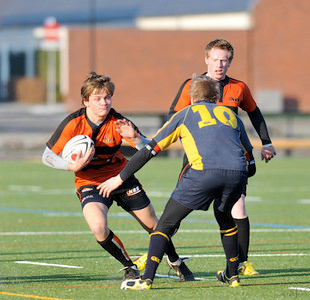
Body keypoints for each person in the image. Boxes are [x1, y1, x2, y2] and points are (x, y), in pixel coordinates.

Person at [98, 76, 256, 290]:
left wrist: (119, 178)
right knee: (225, 218)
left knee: (164, 225)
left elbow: (150, 150)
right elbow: (250, 157)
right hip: (238, 173)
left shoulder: (186, 114)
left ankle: (146, 280)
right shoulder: (230, 114)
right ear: (216, 97)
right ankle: (232, 275)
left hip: (204, 173)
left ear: (192, 98)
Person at [42, 71, 193, 281]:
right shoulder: (73, 123)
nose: (104, 103)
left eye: (107, 97)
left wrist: (136, 137)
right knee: (98, 227)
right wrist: (71, 165)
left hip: (122, 178)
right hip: (90, 182)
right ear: (85, 101)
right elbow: (47, 155)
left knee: (154, 226)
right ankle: (129, 266)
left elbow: (151, 149)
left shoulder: (120, 122)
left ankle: (174, 260)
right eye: (97, 99)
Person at [168, 39, 276, 276]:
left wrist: (266, 142)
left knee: (239, 208)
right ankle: (163, 254)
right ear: (206, 59)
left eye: (225, 60)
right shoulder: (192, 86)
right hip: (197, 160)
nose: (220, 64)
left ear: (230, 62)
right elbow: (173, 116)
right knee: (176, 213)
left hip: (231, 160)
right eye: (216, 59)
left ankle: (241, 263)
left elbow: (254, 114)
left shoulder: (239, 87)